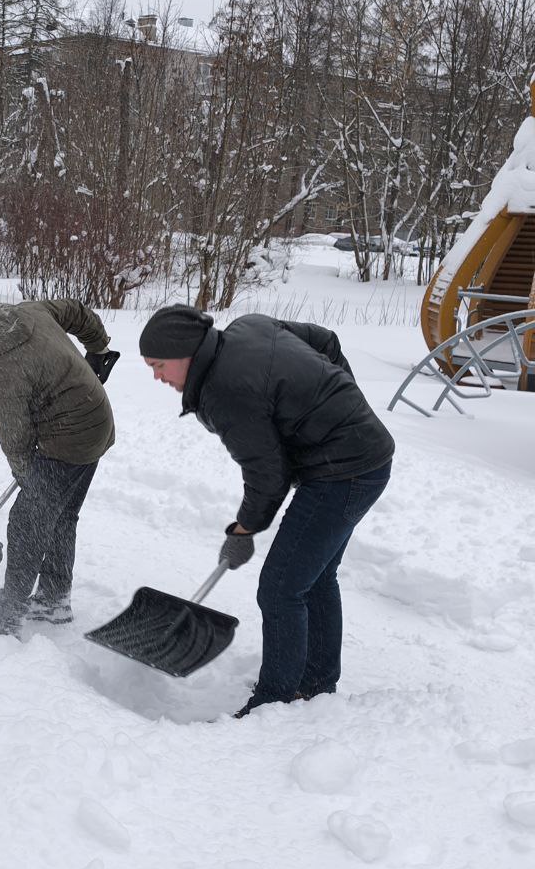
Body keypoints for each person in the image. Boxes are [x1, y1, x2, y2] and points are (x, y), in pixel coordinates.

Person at [138, 304, 395, 716]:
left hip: (344, 471)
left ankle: (274, 700)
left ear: (185, 352)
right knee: (314, 576)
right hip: (361, 457)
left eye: (159, 365)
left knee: (280, 587)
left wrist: (243, 531)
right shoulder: (249, 327)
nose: (157, 376)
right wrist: (340, 401)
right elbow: (326, 340)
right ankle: (314, 683)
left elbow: (268, 476)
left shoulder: (226, 390)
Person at [0, 293, 118, 636]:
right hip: (96, 419)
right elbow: (75, 311)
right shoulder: (24, 312)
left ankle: (6, 618)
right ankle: (53, 598)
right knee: (60, 514)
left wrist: (29, 479)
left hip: (69, 436)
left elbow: (15, 439)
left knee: (26, 523)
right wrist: (98, 348)